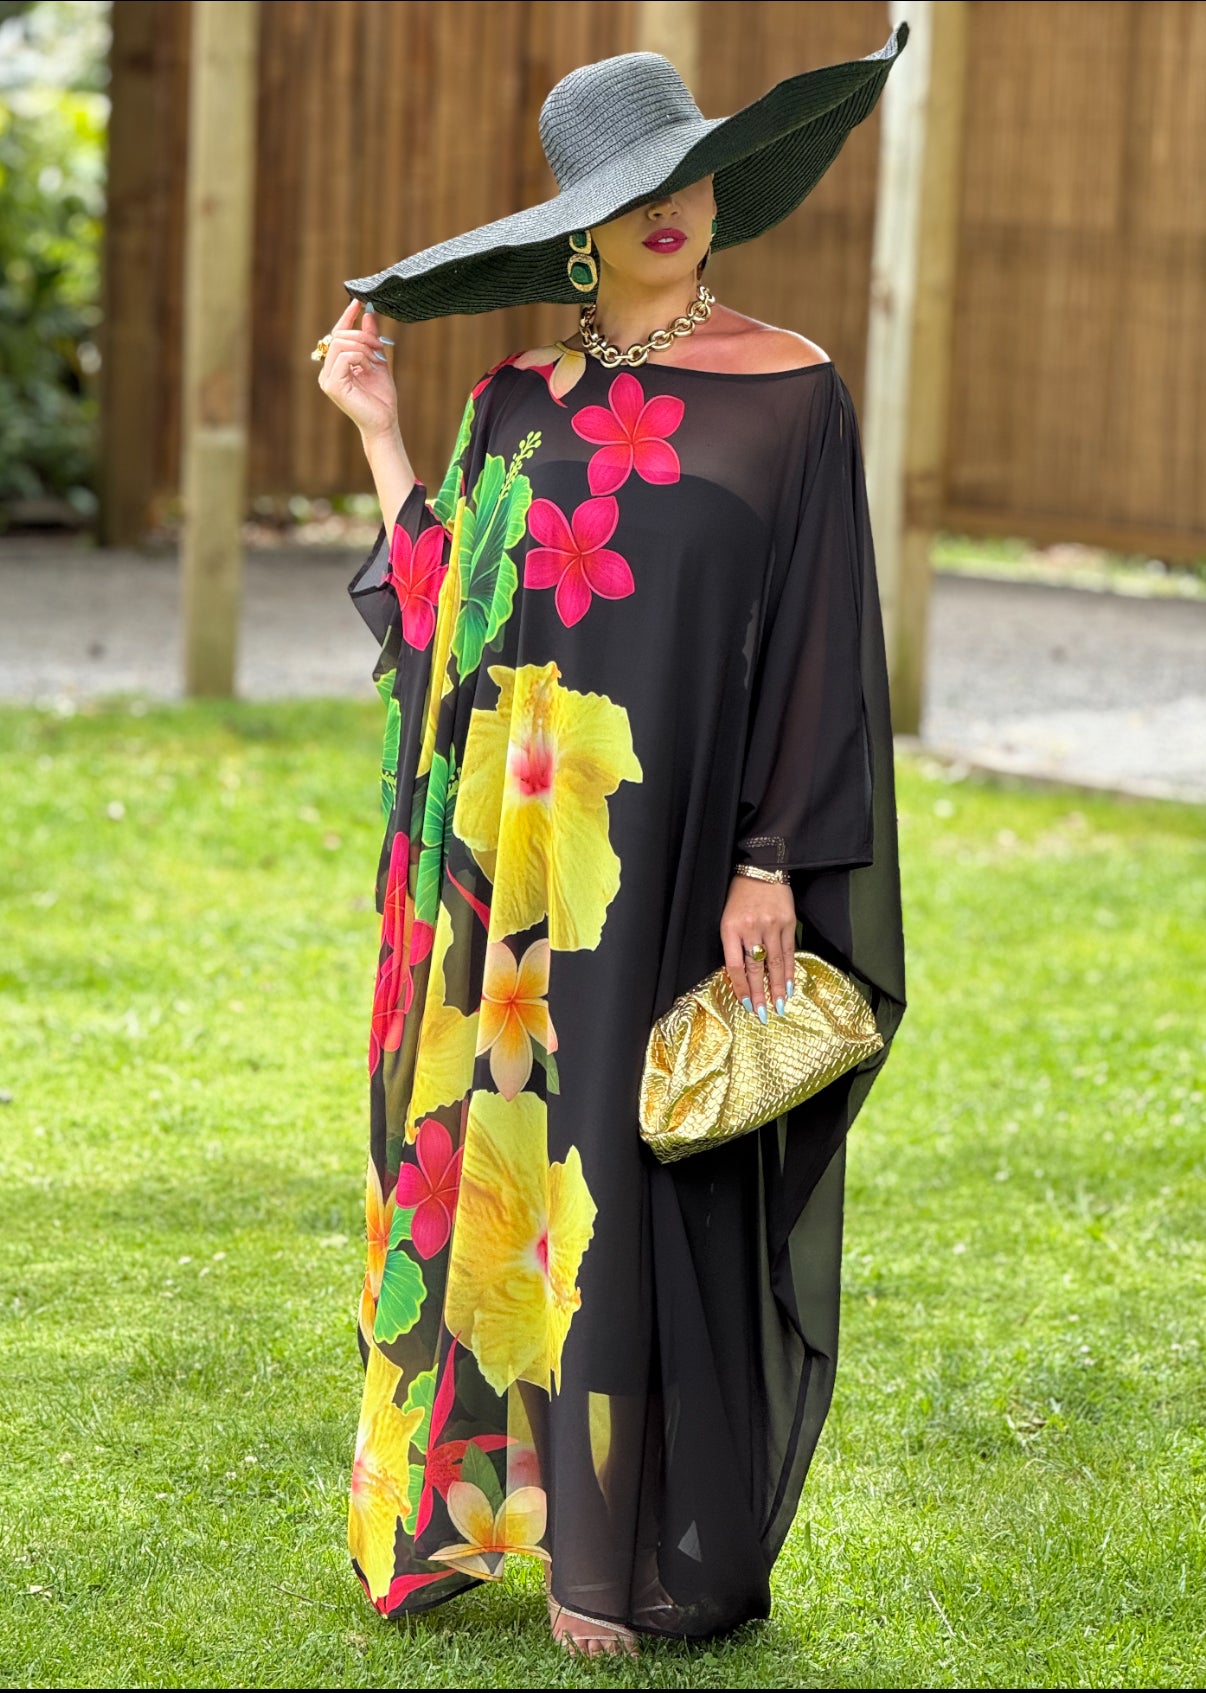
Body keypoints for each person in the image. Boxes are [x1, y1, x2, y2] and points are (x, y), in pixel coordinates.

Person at [317, 28, 909, 1658]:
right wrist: (379, 429)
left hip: (680, 861)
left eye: (688, 177)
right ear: (578, 225)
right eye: (630, 190)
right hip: (517, 877)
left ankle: (634, 1557)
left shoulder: (790, 397)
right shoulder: (511, 404)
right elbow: (449, 622)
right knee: (520, 1172)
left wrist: (772, 856)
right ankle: (503, 1525)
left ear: (722, 197)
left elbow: (815, 641)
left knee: (644, 1177)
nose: (668, 211)